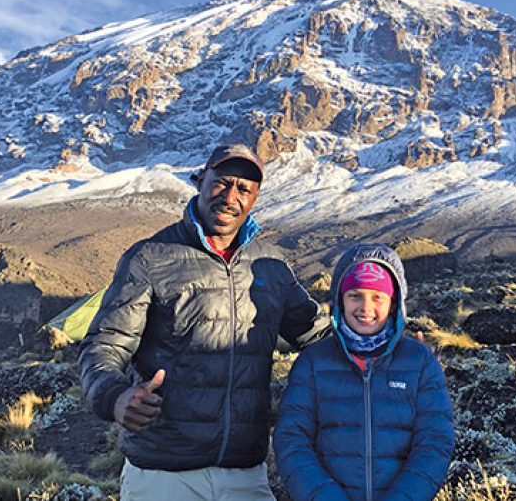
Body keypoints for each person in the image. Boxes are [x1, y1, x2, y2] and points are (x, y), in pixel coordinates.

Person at [79, 144, 331, 501]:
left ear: (255, 198)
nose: (230, 197)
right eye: (222, 183)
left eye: (244, 189)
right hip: (163, 473)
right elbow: (104, 346)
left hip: (245, 472)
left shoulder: (270, 267)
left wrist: (395, 352)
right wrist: (116, 396)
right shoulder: (149, 258)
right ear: (200, 181)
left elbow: (320, 336)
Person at [273, 243, 455, 501]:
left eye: (377, 296)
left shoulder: (419, 362)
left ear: (394, 303)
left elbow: (435, 441)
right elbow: (292, 439)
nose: (365, 307)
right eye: (355, 295)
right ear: (340, 299)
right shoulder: (313, 362)